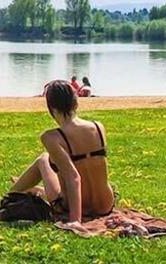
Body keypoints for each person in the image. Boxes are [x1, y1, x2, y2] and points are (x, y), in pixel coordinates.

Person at [9, 80, 115, 233]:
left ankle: (12, 195)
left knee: (44, 159)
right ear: (75, 104)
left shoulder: (51, 137)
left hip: (76, 206)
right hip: (105, 204)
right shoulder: (98, 127)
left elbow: (74, 177)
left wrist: (75, 220)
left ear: (51, 108)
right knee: (76, 162)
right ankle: (34, 190)